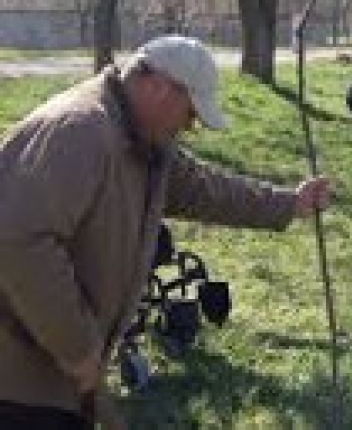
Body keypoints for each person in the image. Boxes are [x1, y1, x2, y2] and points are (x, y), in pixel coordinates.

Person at [0, 35, 331, 429]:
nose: (190, 126)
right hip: (19, 376)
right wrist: (76, 347)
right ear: (158, 87)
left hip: (60, 371)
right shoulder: (82, 132)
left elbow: (206, 190)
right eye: (190, 112)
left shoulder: (144, 142)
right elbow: (18, 240)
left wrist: (289, 203)